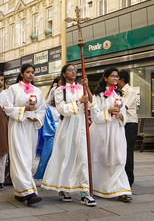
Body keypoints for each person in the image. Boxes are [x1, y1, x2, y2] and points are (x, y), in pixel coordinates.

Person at [42, 64, 97, 206]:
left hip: (81, 125)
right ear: (64, 73)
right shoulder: (59, 91)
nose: (73, 72)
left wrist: (87, 87)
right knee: (66, 157)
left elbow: (91, 104)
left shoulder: (81, 88)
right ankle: (64, 188)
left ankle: (85, 192)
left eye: (75, 70)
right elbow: (61, 109)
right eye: (70, 70)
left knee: (82, 157)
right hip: (66, 125)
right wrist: (79, 102)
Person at [4, 63, 45, 205]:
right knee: (18, 157)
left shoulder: (37, 91)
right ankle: (28, 192)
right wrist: (24, 109)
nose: (31, 74)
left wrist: (37, 117)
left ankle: (20, 192)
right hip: (18, 126)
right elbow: (8, 108)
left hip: (30, 128)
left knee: (27, 159)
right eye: (28, 72)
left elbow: (41, 110)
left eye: (33, 72)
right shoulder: (13, 88)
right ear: (22, 74)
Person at [89, 67, 132, 202]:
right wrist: (109, 111)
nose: (115, 78)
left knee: (119, 159)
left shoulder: (120, 95)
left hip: (116, 131)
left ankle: (121, 189)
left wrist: (120, 116)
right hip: (101, 132)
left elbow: (125, 116)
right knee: (102, 160)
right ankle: (100, 187)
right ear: (106, 78)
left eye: (117, 76)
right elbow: (94, 117)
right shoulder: (98, 95)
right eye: (113, 76)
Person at [34, 76, 61, 179]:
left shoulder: (62, 107)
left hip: (61, 133)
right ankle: (42, 173)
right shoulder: (48, 109)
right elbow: (48, 123)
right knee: (47, 155)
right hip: (52, 135)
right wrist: (56, 129)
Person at [118, 69, 138, 187]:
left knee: (128, 151)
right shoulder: (120, 91)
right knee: (122, 151)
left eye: (117, 79)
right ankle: (123, 176)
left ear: (122, 80)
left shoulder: (129, 91)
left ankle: (129, 179)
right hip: (124, 123)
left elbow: (123, 106)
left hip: (130, 124)